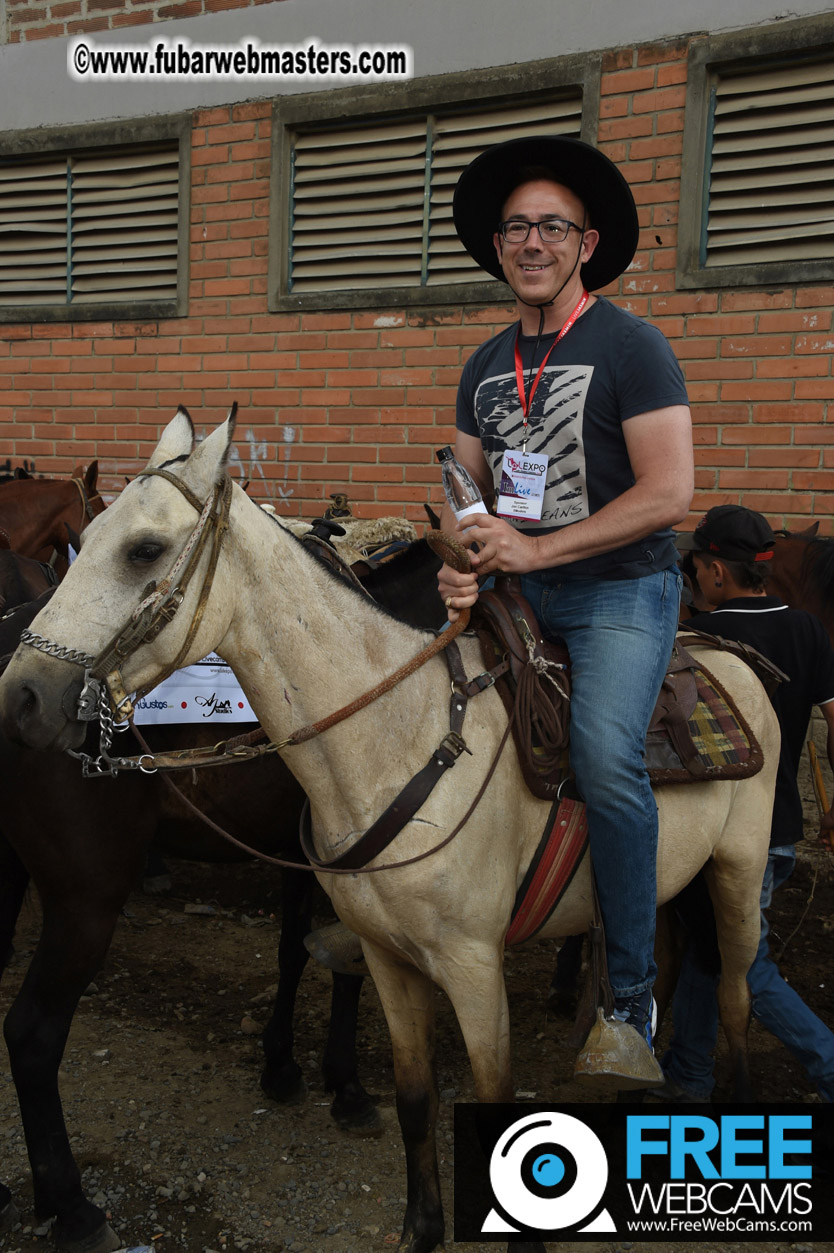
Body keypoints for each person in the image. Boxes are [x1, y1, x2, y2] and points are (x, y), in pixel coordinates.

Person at [437, 136, 694, 1087]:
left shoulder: (632, 346)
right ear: (498, 246)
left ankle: (629, 1001)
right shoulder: (484, 364)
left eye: (552, 226)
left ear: (586, 243)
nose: (532, 242)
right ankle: (402, 905)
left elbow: (670, 491)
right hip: (517, 586)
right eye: (516, 227)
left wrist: (537, 551)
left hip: (620, 587)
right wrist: (462, 562)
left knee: (604, 757)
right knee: (423, 709)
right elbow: (463, 494)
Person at [656, 504, 834, 1102]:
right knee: (710, 952)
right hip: (777, 829)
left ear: (714, 572)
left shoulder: (695, 639)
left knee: (744, 963)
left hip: (715, 833)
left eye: (695, 569)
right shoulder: (807, 630)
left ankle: (828, 1065)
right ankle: (690, 1074)